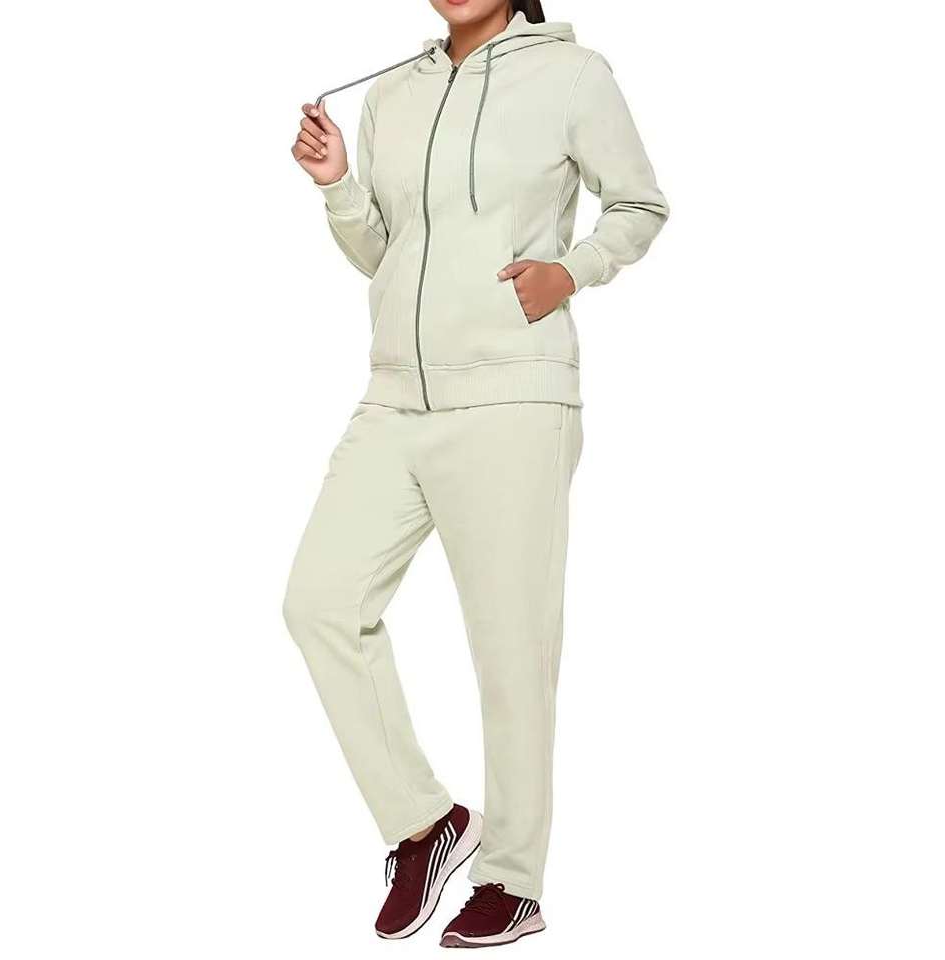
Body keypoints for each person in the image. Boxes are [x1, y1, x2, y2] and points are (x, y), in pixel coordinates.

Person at [284, 0, 667, 947]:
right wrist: (338, 187)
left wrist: (572, 270)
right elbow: (385, 257)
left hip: (512, 398)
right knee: (320, 603)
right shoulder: (391, 93)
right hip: (395, 397)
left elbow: (639, 204)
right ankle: (426, 824)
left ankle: (513, 879)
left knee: (511, 648)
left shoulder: (573, 76)